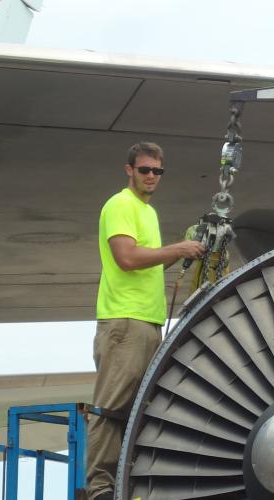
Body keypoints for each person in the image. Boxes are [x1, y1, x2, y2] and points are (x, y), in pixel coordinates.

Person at [87, 142, 204, 500]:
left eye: (157, 171)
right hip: (124, 320)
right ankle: (100, 489)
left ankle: (127, 485)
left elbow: (150, 261)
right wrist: (178, 249)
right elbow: (127, 258)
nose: (151, 176)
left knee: (139, 409)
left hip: (148, 322)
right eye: (145, 170)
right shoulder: (120, 204)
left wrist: (183, 248)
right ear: (129, 170)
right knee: (112, 408)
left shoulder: (147, 212)